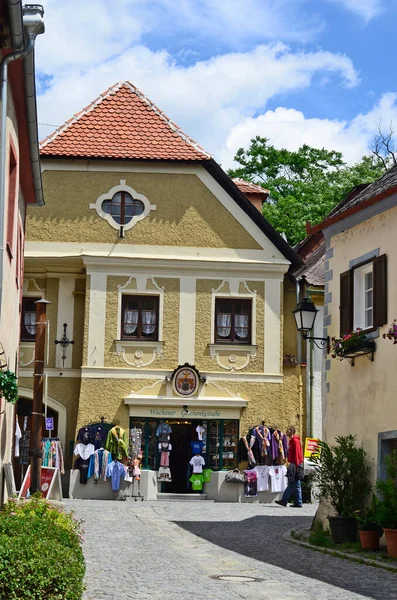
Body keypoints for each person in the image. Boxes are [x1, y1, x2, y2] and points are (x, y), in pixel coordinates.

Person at [275, 425, 303, 508]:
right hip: (294, 463)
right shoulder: (291, 441)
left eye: (288, 430)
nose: (286, 432)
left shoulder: (295, 441)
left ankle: (286, 501)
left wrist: (297, 465)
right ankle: (297, 502)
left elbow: (297, 453)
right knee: (294, 483)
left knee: (293, 483)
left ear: (292, 431)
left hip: (295, 464)